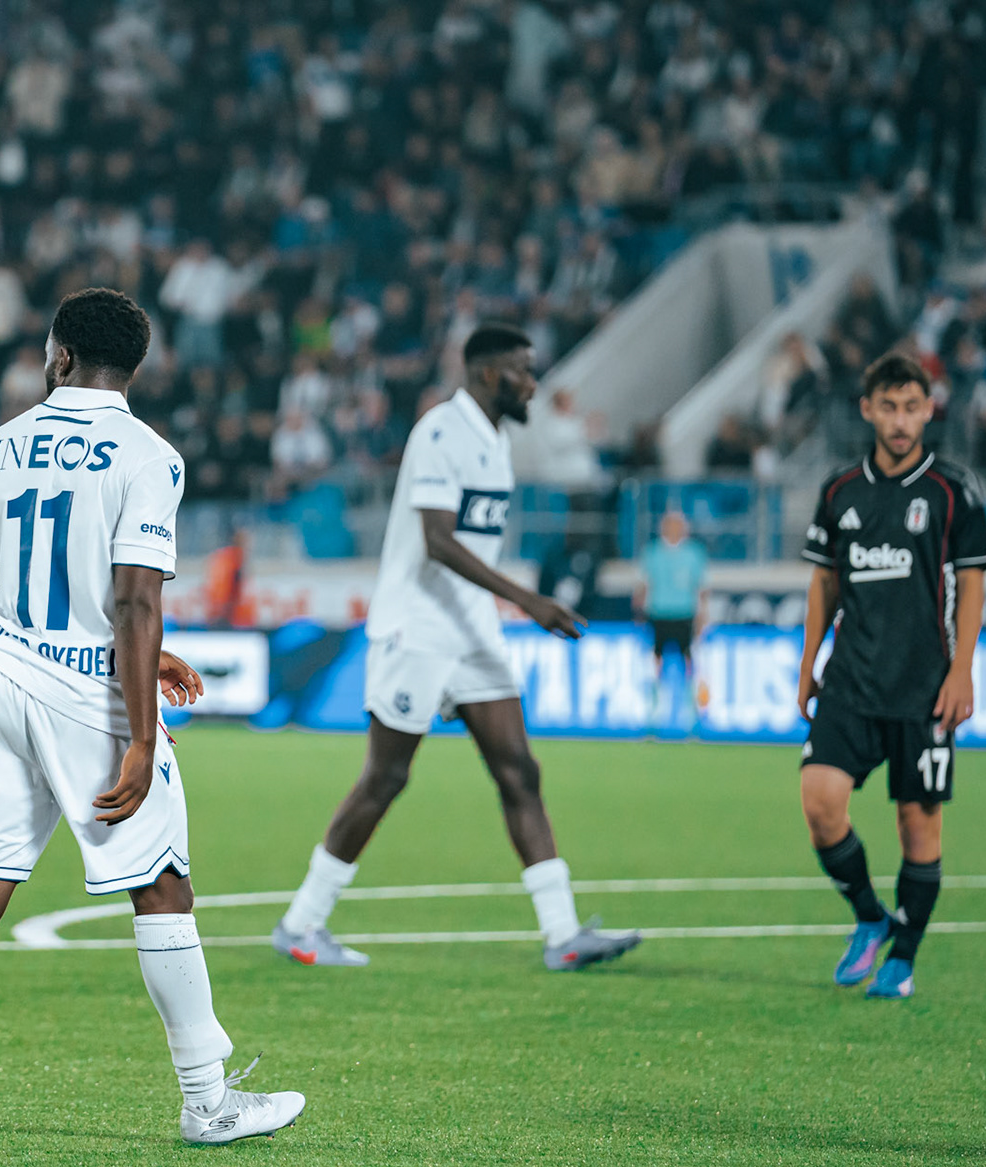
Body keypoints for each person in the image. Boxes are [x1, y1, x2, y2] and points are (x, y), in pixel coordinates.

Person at [0, 288, 304, 1152]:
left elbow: (27, 584)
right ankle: (208, 1102)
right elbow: (130, 595)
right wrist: (143, 735)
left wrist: (145, 657)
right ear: (135, 368)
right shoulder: (151, 455)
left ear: (60, 356)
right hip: (83, 698)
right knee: (163, 887)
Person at [272, 323, 642, 972]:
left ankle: (562, 935)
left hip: (471, 631)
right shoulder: (443, 431)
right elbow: (438, 540)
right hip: (418, 627)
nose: (534, 385)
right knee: (386, 778)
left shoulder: (493, 438)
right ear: (489, 373)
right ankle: (301, 924)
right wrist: (527, 599)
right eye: (525, 372)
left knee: (519, 771)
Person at [798, 351, 986, 1001]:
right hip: (851, 680)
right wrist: (808, 663)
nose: (901, 419)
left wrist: (962, 670)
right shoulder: (838, 492)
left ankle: (902, 960)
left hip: (923, 687)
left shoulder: (953, 492)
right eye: (889, 406)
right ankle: (868, 916)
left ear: (929, 409)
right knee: (820, 802)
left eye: (912, 406)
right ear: (867, 409)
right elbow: (824, 580)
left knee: (919, 827)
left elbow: (970, 586)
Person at [636, 511, 709, 724]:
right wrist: (640, 611)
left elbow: (702, 587)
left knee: (689, 663)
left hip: (684, 613)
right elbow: (644, 584)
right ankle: (653, 713)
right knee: (656, 663)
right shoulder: (652, 552)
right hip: (659, 613)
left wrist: (703, 616)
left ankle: (692, 714)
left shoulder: (694, 553)